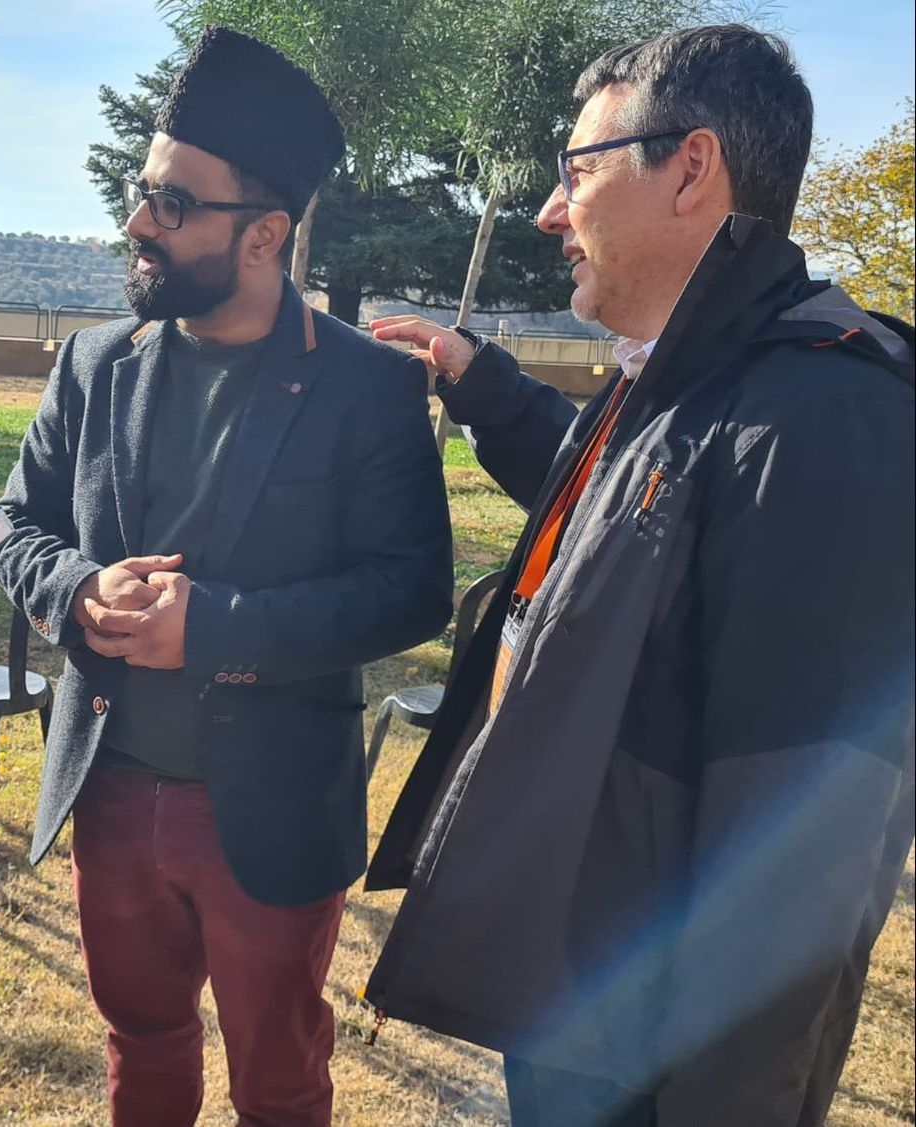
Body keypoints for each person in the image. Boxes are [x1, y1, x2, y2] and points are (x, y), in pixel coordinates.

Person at [362, 24, 914, 1127]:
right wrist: (479, 385)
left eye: (576, 170)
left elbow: (802, 861)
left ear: (691, 169)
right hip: (577, 985)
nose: (547, 212)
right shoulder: (677, 383)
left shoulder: (824, 419)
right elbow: (624, 516)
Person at [0, 27, 453, 1127]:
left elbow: (409, 591)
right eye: (141, 191)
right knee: (139, 1047)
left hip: (271, 808)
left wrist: (221, 625)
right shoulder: (94, 363)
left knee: (279, 1081)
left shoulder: (368, 389)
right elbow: (15, 524)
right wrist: (75, 590)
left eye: (174, 203)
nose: (140, 222)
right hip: (107, 786)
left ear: (267, 234)